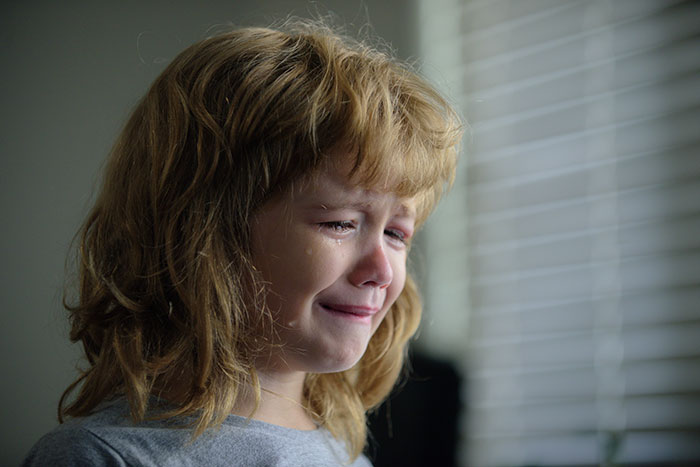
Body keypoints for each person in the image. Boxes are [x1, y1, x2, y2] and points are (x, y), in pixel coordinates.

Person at [22, 20, 461, 466]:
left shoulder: (345, 456)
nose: (382, 271)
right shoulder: (100, 456)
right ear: (204, 230)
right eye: (341, 224)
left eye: (396, 234)